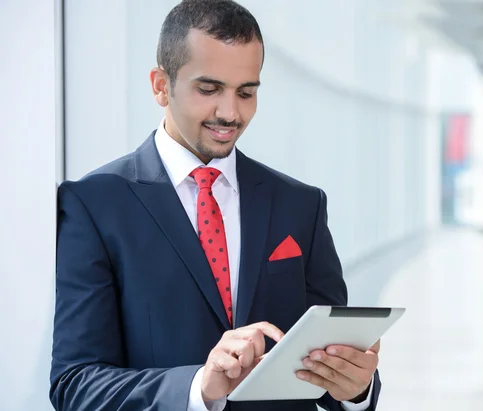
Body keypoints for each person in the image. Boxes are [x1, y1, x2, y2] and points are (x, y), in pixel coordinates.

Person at [50, 1, 382, 410]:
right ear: (160, 85)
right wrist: (198, 388)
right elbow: (75, 384)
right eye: (209, 89)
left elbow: (329, 362)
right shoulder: (94, 205)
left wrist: (356, 390)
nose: (230, 113)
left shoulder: (301, 204)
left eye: (246, 92)